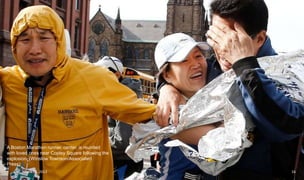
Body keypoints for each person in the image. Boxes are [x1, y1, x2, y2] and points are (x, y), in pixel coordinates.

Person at [155, 0, 304, 179]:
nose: (222, 49)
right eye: (216, 38)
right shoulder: (214, 67)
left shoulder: (289, 75)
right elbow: (179, 74)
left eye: (231, 40)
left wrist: (245, 66)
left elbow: (286, 127)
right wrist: (166, 88)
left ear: (260, 39)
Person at [1, 5, 155, 179]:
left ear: (59, 42)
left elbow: (156, 116)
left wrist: (169, 86)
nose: (35, 49)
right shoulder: (7, 81)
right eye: (25, 39)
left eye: (44, 38)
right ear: (14, 45)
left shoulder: (94, 78)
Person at [154, 32, 217, 180]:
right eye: (183, 60)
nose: (195, 64)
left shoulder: (210, 94)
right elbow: (220, 139)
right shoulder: (171, 111)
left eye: (198, 56)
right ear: (167, 75)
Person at [94, 56, 144, 179]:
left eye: (102, 74)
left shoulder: (124, 97)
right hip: (125, 160)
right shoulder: (117, 93)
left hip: (124, 161)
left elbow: (122, 141)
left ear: (116, 75)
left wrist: (97, 139)